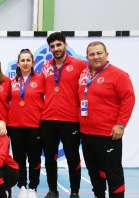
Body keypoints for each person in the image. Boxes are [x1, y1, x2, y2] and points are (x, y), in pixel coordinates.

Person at [78, 41, 135, 198]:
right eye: (92, 54)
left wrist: (121, 124)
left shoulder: (119, 75)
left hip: (108, 134)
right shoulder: (85, 74)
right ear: (87, 57)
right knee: (95, 172)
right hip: (87, 133)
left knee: (113, 174)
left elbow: (128, 99)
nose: (96, 57)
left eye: (99, 53)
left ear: (106, 54)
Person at [39, 32, 87, 198]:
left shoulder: (80, 65)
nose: (56, 49)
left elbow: (86, 91)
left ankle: (74, 192)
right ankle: (53, 190)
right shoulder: (45, 66)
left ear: (65, 45)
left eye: (59, 45)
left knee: (73, 158)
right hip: (48, 120)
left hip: (70, 120)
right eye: (52, 46)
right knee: (50, 159)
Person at [7, 49, 45, 198]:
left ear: (33, 62)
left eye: (28, 60)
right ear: (17, 63)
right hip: (15, 126)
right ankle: (22, 185)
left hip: (35, 126)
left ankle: (33, 187)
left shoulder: (41, 79)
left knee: (35, 159)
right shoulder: (12, 82)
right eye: (22, 60)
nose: (25, 63)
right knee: (19, 159)